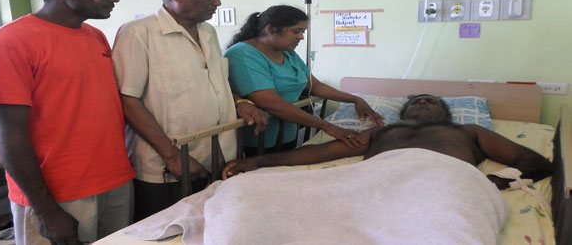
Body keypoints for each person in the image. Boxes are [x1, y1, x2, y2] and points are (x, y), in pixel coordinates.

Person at [0, 0, 135, 245]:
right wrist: (45, 210)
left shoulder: (94, 36)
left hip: (114, 178)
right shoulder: (6, 45)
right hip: (59, 193)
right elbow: (10, 136)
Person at [111, 0, 267, 221]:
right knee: (168, 230)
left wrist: (241, 102)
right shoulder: (139, 33)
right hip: (167, 164)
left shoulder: (208, 32)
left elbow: (214, 81)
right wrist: (172, 156)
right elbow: (128, 99)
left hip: (218, 153)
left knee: (209, 226)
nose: (217, 2)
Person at [223, 94, 553, 189]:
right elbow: (320, 152)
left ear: (446, 113)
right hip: (374, 180)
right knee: (255, 194)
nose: (423, 104)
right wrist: (258, 162)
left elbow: (535, 162)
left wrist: (494, 182)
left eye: (430, 101)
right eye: (416, 102)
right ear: (403, 112)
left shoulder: (468, 132)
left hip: (442, 181)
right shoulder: (381, 133)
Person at [224, 5, 384, 156]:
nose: (301, 37)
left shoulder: (287, 53)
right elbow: (269, 102)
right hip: (258, 137)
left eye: (303, 32)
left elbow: (316, 86)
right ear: (271, 29)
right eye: (296, 31)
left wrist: (355, 99)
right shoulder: (243, 54)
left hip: (287, 132)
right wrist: (327, 127)